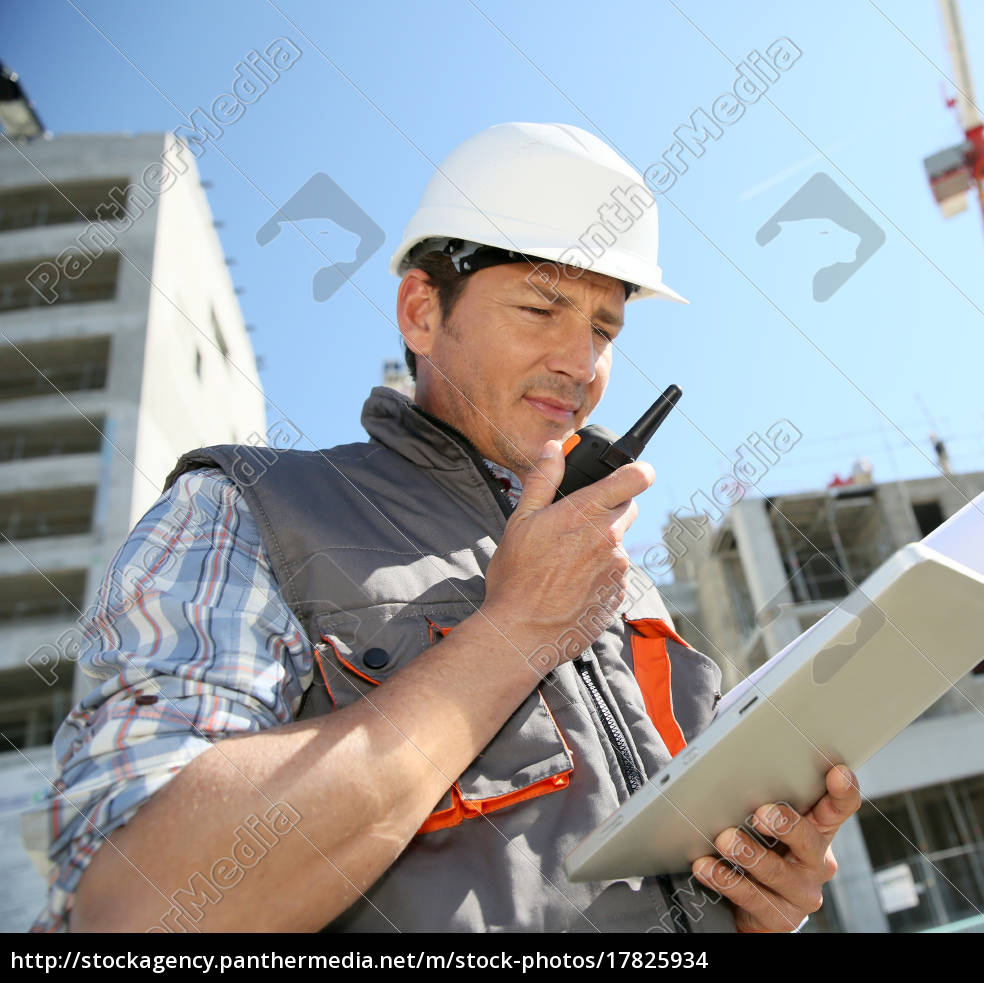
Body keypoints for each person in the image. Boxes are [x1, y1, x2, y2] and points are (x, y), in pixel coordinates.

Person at [22, 121, 859, 933]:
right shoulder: (250, 511)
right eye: (541, 307)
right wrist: (515, 633)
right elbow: (138, 907)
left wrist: (752, 899)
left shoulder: (621, 584)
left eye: (605, 328)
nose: (582, 362)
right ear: (421, 313)